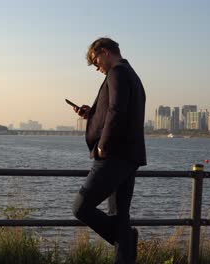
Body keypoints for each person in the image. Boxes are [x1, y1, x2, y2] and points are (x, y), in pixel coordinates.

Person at [71, 37, 147, 264]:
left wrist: (103, 144)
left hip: (113, 155)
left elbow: (116, 110)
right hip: (129, 156)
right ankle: (125, 245)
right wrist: (90, 114)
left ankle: (126, 240)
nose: (97, 68)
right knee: (120, 216)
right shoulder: (130, 74)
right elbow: (115, 110)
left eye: (96, 61)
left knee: (81, 207)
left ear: (104, 52)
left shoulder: (116, 73)